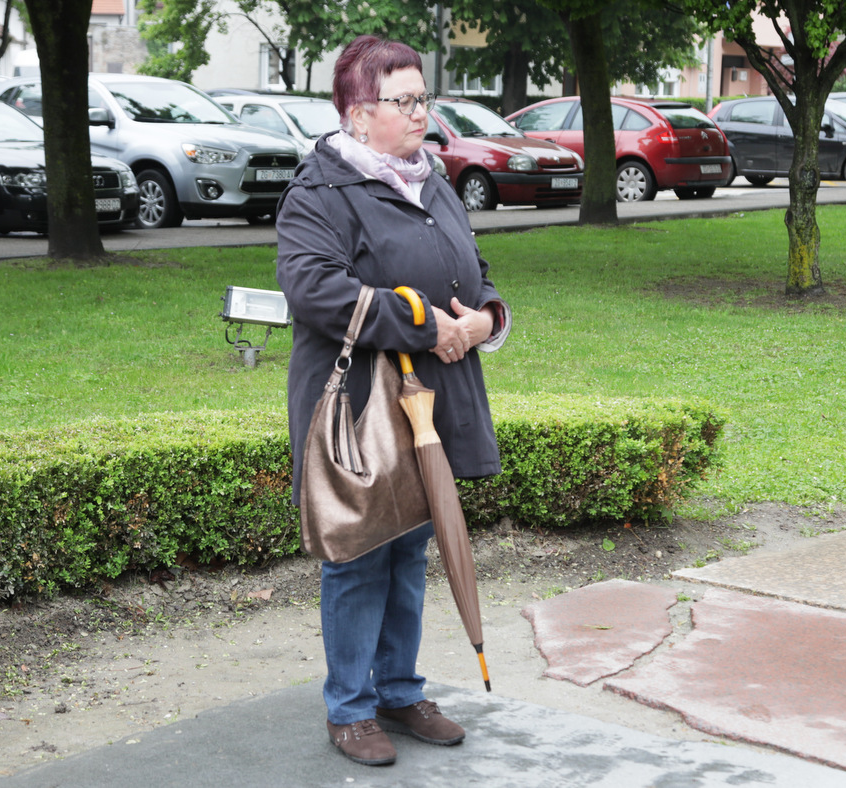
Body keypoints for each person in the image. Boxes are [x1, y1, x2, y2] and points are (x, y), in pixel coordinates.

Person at [275, 34, 511, 767]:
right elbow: (314, 289)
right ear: (357, 114)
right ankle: (350, 709)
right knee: (358, 552)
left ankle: (399, 691)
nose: (420, 114)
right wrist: (424, 325)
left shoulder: (429, 179)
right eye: (404, 101)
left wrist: (484, 319)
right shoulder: (318, 192)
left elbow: (474, 270)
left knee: (410, 545)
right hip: (358, 406)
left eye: (422, 98)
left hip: (429, 398)